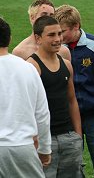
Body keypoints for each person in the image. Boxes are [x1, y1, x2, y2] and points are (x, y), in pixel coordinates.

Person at [54, 5, 94, 178]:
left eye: (62, 32)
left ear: (76, 26)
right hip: (67, 118)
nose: (59, 37)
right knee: (71, 166)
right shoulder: (55, 49)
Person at [27, 15, 83, 178]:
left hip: (69, 137)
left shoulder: (66, 64)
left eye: (59, 34)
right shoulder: (31, 67)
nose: (58, 39)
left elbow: (72, 100)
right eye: (51, 35)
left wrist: (78, 135)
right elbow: (28, 109)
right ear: (38, 38)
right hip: (44, 140)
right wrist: (36, 141)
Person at [0, 17, 51, 178]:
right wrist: (44, 149)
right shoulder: (28, 68)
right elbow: (42, 114)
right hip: (22, 148)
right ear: (9, 39)